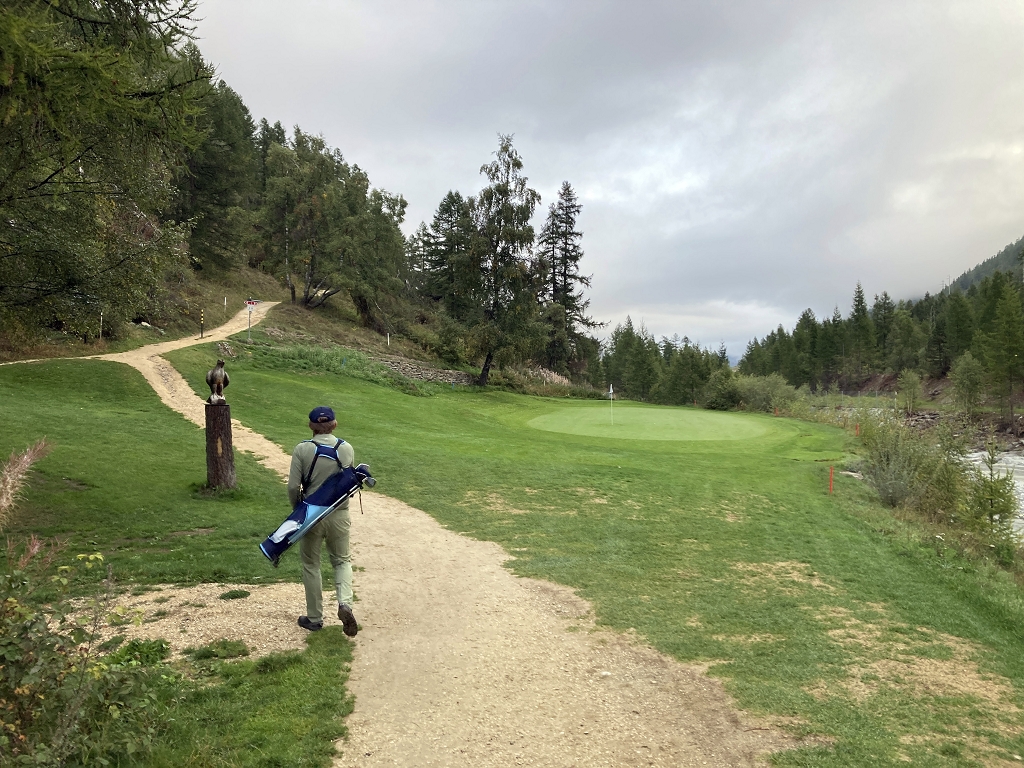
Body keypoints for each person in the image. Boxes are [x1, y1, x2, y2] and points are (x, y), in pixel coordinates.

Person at [287, 405, 359, 636]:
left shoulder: (302, 449)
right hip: (339, 512)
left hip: (311, 515)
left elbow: (292, 486)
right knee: (342, 561)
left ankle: (315, 618)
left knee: (311, 565)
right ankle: (344, 603)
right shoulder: (346, 449)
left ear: (311, 426)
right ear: (335, 424)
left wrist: (296, 509)